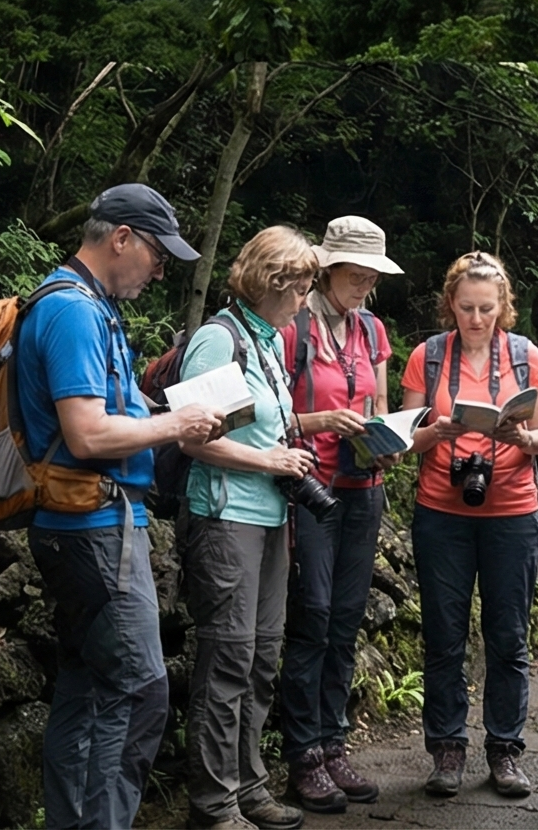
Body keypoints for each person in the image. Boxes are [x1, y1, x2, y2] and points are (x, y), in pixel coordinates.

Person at [16, 184, 224, 830]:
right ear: (122, 238)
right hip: (93, 529)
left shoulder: (84, 305)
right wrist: (176, 425)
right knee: (137, 693)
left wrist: (169, 415)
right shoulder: (74, 313)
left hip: (86, 526)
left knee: (86, 688)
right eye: (158, 256)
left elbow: (110, 413)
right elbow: (87, 434)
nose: (159, 272)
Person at [176, 226, 323, 830]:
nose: (307, 301)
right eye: (302, 287)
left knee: (262, 658)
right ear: (274, 281)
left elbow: (267, 424)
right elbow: (192, 438)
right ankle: (214, 805)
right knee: (229, 660)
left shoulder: (268, 340)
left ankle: (250, 787)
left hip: (268, 519)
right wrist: (270, 462)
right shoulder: (220, 339)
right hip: (225, 518)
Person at [402, 250, 538, 800]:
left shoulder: (525, 356)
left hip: (511, 509)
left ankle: (505, 749)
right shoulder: (428, 357)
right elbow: (404, 438)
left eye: (487, 308)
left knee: (508, 635)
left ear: (503, 306)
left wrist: (520, 438)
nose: (476, 318)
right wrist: (436, 432)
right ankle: (446, 747)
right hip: (442, 510)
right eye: (466, 307)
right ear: (451, 304)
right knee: (444, 634)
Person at [280, 216, 400, 813]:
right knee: (314, 614)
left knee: (347, 616)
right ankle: (303, 754)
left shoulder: (371, 330)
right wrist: (322, 421)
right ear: (328, 269)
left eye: (372, 277)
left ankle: (333, 743)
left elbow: (379, 405)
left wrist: (390, 438)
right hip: (311, 488)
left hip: (363, 485)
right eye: (356, 274)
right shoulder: (293, 328)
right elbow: (268, 414)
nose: (365, 285)